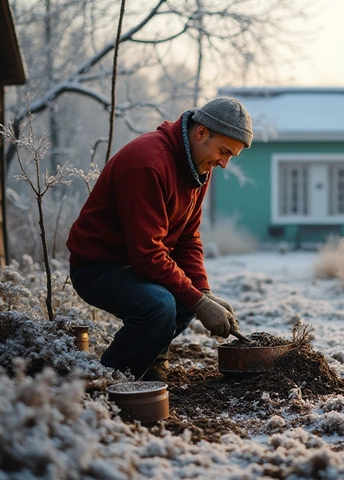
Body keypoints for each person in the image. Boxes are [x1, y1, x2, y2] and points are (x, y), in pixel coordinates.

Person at [66, 97, 253, 382]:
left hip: (136, 264)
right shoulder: (148, 164)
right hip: (97, 266)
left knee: (184, 300)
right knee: (160, 306)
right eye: (224, 151)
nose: (224, 164)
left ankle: (151, 362)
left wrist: (202, 292)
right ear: (201, 132)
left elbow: (188, 238)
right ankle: (109, 378)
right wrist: (198, 302)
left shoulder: (199, 168)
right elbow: (147, 255)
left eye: (232, 157)